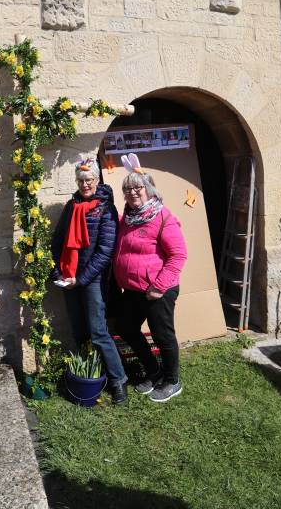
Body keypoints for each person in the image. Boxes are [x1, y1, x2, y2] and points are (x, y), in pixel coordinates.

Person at [51, 155, 128, 404]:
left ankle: (119, 381)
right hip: (69, 276)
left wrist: (81, 279)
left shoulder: (105, 208)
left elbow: (105, 251)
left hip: (91, 279)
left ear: (97, 179)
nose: (85, 184)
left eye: (89, 179)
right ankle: (91, 374)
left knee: (98, 331)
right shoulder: (71, 206)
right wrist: (58, 271)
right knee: (79, 330)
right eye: (81, 180)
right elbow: (58, 240)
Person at [113, 153, 187, 403]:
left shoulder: (163, 217)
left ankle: (172, 380)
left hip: (158, 289)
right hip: (133, 289)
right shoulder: (127, 219)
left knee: (162, 336)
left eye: (138, 187)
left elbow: (178, 255)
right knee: (125, 328)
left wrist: (159, 286)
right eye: (128, 188)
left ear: (149, 189)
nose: (133, 192)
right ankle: (154, 370)